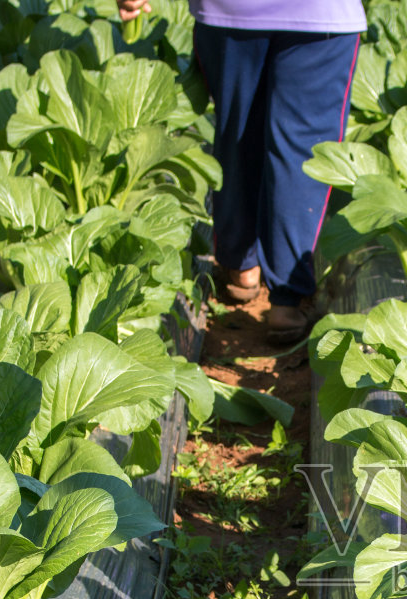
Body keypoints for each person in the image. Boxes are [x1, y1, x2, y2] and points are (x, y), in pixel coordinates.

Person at [118, 0, 364, 345]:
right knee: (302, 152)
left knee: (237, 131)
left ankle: (242, 269)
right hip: (319, 15)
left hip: (229, 11)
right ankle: (287, 303)